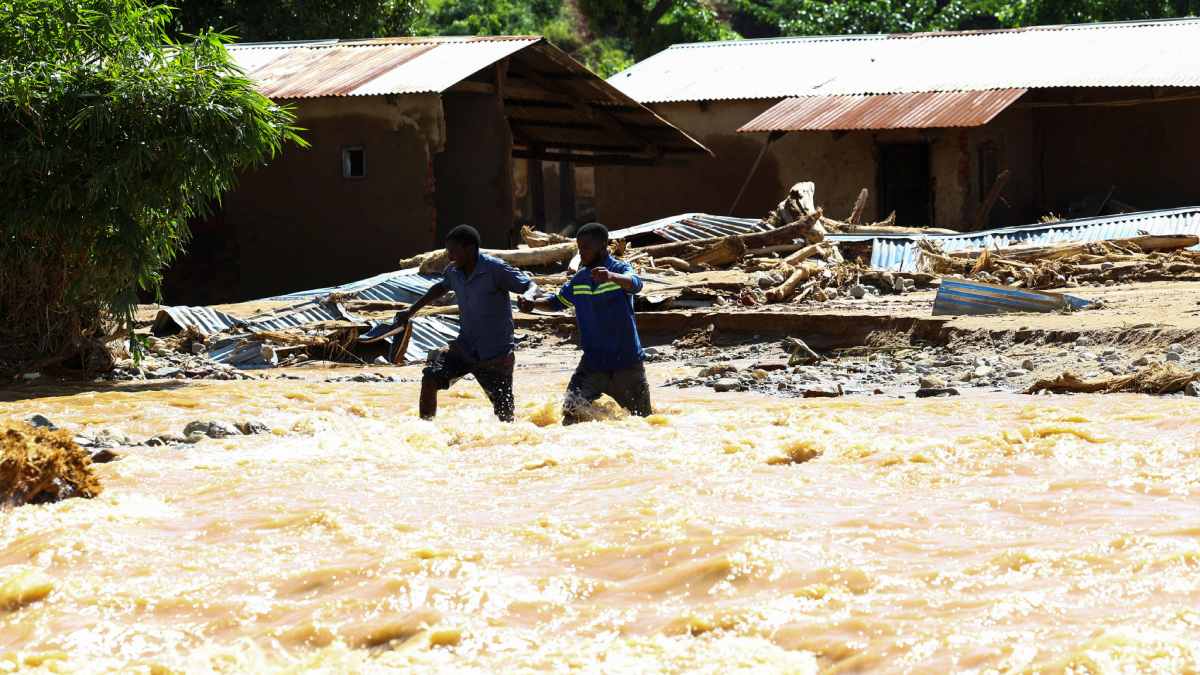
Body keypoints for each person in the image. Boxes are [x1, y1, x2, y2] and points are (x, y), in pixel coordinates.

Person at [380, 225, 536, 422]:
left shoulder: (495, 269)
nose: (450, 256)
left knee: (504, 413)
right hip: (465, 348)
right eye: (448, 252)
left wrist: (529, 296)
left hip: (495, 355)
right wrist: (411, 310)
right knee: (430, 377)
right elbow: (441, 287)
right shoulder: (454, 271)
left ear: (469, 249)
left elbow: (530, 284)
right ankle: (425, 431)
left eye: (453, 251)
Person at [518, 223, 651, 424]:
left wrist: (611, 277)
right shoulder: (580, 278)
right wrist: (532, 305)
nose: (582, 253)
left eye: (586, 248)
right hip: (593, 364)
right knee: (571, 413)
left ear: (603, 246)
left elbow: (636, 284)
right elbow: (556, 303)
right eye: (579, 248)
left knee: (644, 423)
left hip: (626, 364)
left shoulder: (619, 269)